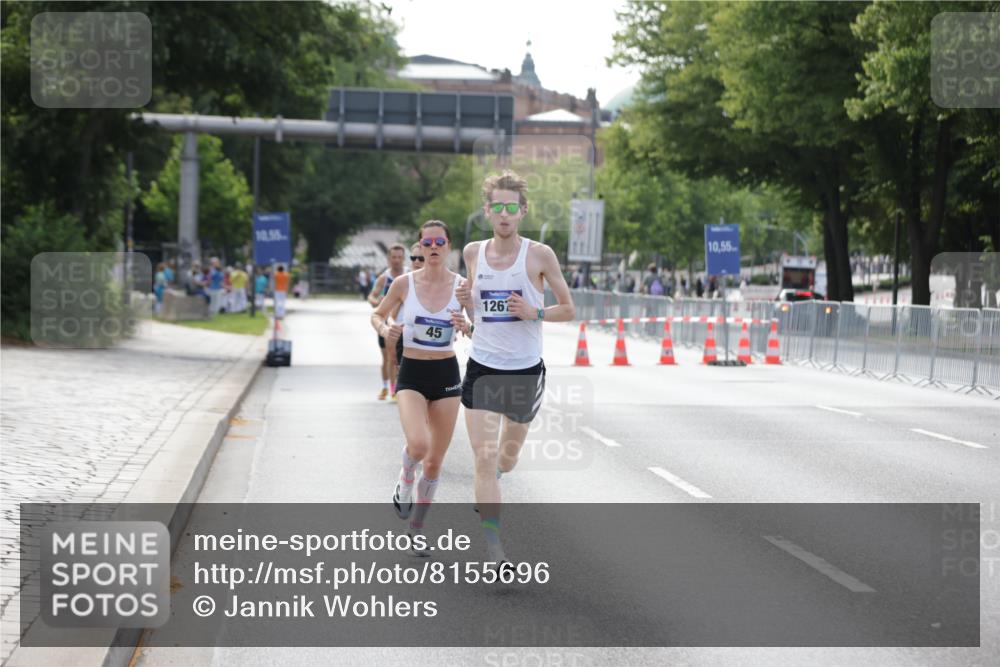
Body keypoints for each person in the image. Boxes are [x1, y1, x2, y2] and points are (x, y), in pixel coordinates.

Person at [455, 170, 575, 570]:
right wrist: (465, 308)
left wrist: (534, 311)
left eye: (512, 207)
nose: (504, 214)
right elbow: (479, 311)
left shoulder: (539, 255)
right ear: (488, 211)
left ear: (522, 211)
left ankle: (495, 480)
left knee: (507, 459)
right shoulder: (473, 252)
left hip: (524, 372)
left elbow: (569, 308)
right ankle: (494, 553)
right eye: (497, 207)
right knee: (485, 459)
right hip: (482, 369)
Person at [371, 221, 468, 554]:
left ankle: (417, 528)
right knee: (418, 445)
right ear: (419, 248)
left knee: (435, 462)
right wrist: (385, 330)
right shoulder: (403, 284)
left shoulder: (462, 287)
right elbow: (377, 315)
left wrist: (465, 324)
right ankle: (404, 478)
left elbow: (478, 328)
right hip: (411, 371)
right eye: (427, 243)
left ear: (449, 246)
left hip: (446, 372)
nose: (434, 247)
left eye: (440, 241)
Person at [368, 244, 407, 400]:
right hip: (385, 324)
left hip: (404, 323)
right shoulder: (384, 278)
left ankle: (399, 387)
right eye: (393, 257)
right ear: (388, 259)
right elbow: (372, 296)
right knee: (389, 357)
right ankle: (388, 388)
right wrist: (377, 301)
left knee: (403, 358)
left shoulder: (409, 275)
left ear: (403, 258)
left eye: (399, 257)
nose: (396, 260)